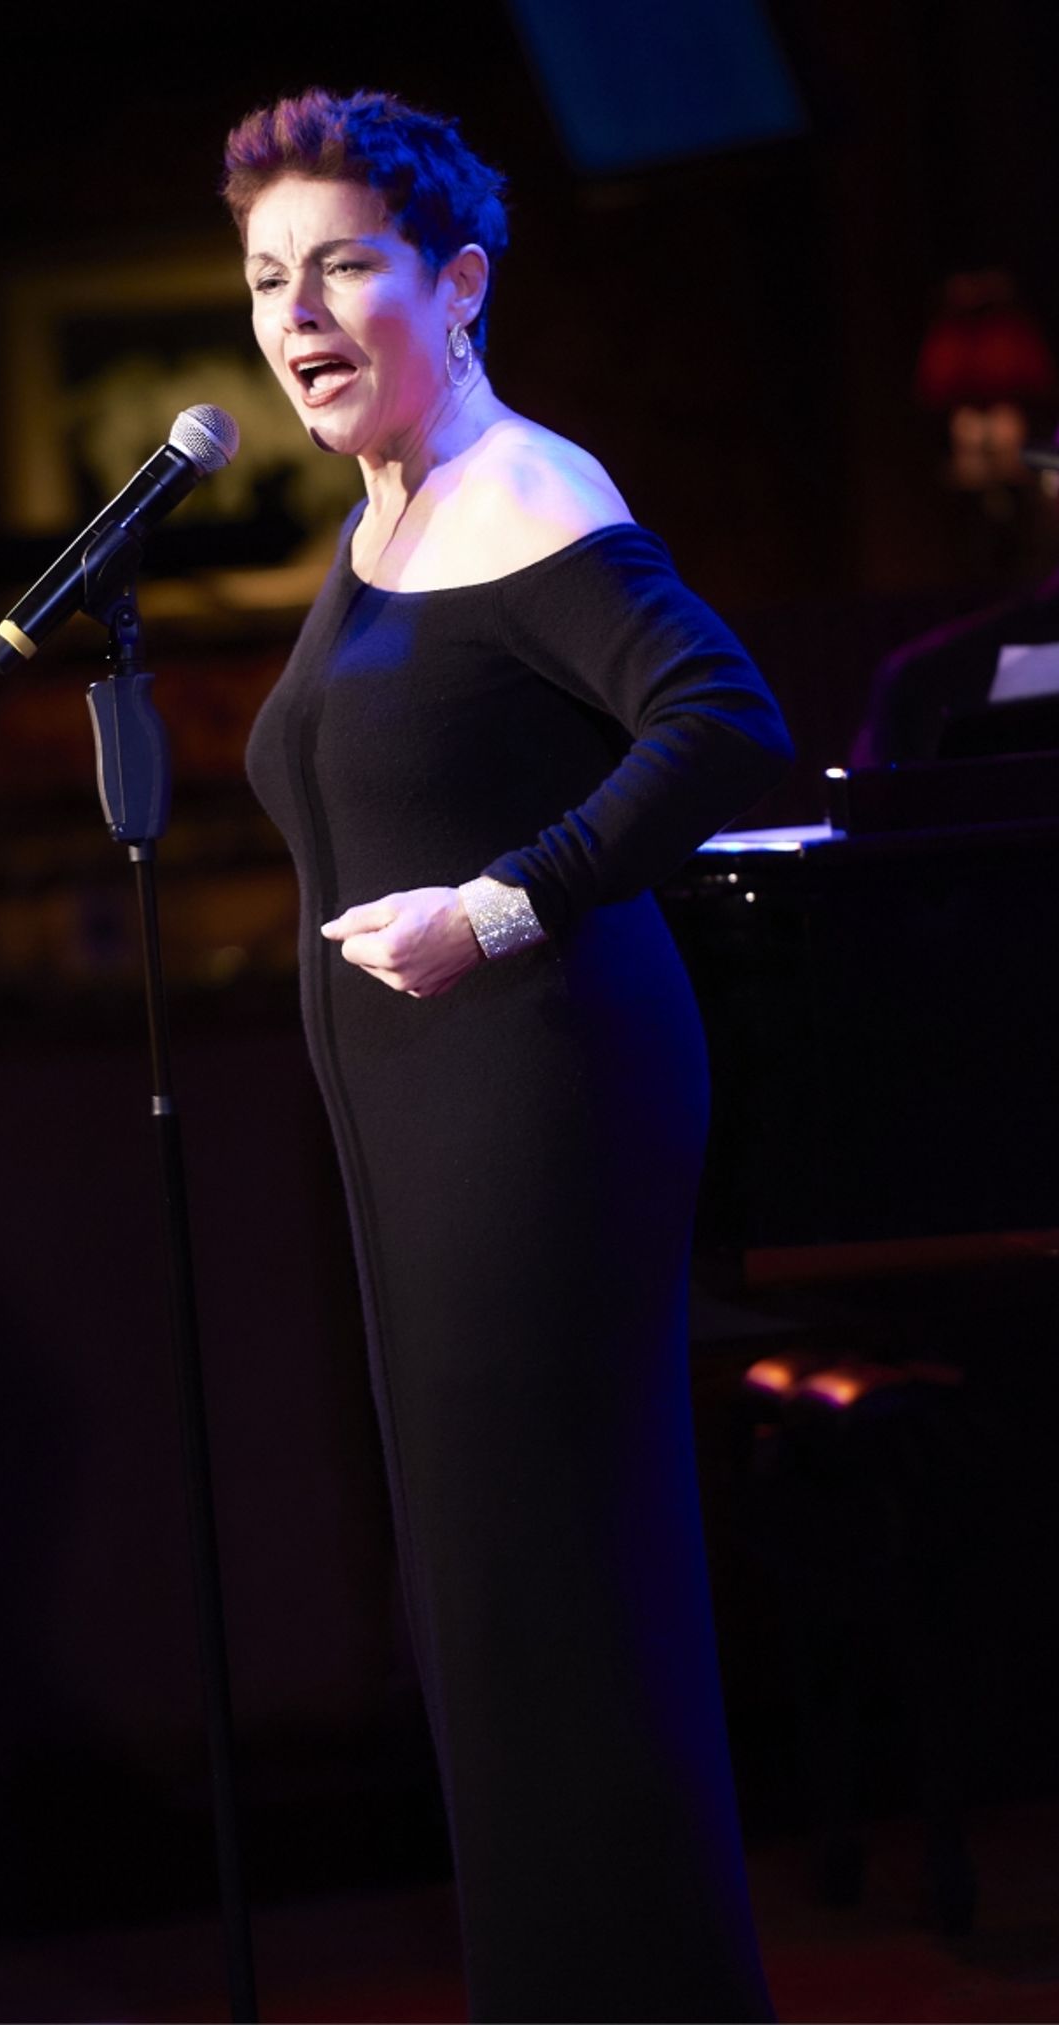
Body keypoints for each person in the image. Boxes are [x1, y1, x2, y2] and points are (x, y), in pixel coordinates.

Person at [222, 88, 793, 2024]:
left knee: (560, 1591)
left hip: (538, 1095)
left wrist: (505, 902)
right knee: (490, 1605)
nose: (296, 308)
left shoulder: (525, 490)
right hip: (428, 1118)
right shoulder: (390, 515)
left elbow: (723, 725)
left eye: (343, 265)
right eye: (265, 277)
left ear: (457, 284)